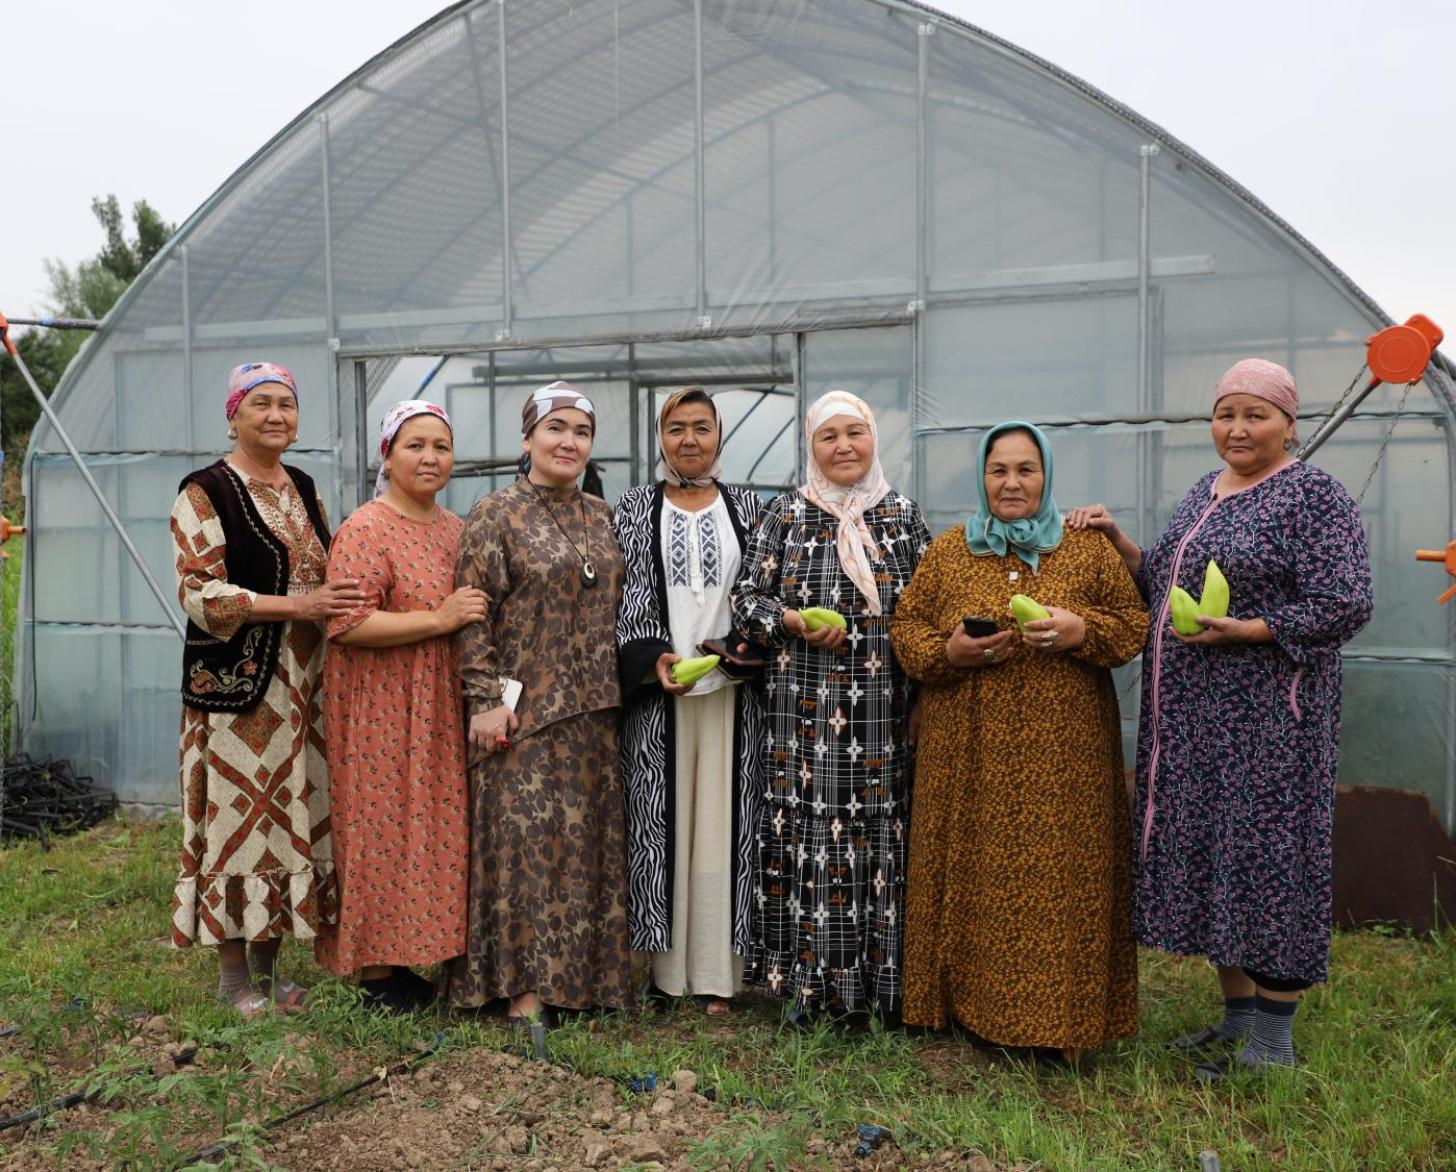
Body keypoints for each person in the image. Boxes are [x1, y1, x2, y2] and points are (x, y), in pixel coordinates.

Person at [1069, 358, 1373, 1079]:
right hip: (1195, 724)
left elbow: (1346, 601)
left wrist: (1254, 630)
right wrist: (1120, 542)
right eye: (1225, 414)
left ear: (1288, 426)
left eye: (1255, 415)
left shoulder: (1312, 496)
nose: (1237, 428)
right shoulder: (1205, 491)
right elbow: (1166, 586)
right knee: (1218, 857)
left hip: (1270, 722)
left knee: (1269, 859)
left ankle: (1273, 1044)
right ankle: (1237, 1017)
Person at [890, 421, 1148, 1063]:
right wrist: (948, 653)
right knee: (975, 871)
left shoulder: (1086, 549)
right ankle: (968, 1010)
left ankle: (1060, 1021)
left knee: (1060, 878)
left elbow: (1133, 626)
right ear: (982, 477)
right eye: (998, 469)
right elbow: (907, 630)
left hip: (1065, 757)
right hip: (968, 750)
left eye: (1025, 470)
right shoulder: (951, 551)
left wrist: (1079, 630)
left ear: (1046, 475)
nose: (1011, 482)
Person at [170, 362, 365, 1017]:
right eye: (261, 404)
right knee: (238, 828)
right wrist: (297, 608)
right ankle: (233, 985)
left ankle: (271, 972)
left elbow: (329, 567)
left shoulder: (303, 486)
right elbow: (201, 593)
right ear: (234, 415)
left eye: (287, 403)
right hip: (240, 694)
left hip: (305, 692)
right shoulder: (205, 491)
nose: (277, 415)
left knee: (288, 824)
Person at [731, 390, 929, 1021]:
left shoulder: (901, 517)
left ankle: (881, 991)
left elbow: (926, 613)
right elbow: (745, 598)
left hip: (881, 715)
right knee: (812, 838)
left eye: (855, 433)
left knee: (879, 840)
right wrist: (788, 619)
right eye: (828, 437)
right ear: (810, 448)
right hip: (803, 717)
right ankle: (809, 990)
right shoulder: (784, 515)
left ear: (873, 439)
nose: (843, 446)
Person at [449, 382, 632, 1023]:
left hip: (595, 713)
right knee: (526, 847)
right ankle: (523, 989)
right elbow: (473, 614)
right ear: (527, 439)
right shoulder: (495, 513)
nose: (569, 442)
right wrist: (486, 698)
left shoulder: (604, 516)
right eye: (555, 428)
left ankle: (581, 986)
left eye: (581, 432)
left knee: (583, 850)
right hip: (522, 713)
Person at [316, 401, 486, 1012]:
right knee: (382, 826)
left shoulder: (454, 527)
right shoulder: (366, 528)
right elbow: (347, 622)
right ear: (386, 455)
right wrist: (437, 618)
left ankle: (424, 949)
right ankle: (378, 972)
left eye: (441, 446)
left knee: (434, 826)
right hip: (383, 703)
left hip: (438, 700)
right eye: (415, 445)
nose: (430, 457)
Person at [614, 386, 765, 1015]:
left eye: (702, 427)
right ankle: (663, 973)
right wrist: (653, 663)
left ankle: (719, 978)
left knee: (725, 828)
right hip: (661, 697)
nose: (690, 441)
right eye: (676, 429)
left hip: (731, 695)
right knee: (661, 827)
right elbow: (619, 602)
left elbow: (765, 588)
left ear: (720, 434)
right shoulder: (632, 508)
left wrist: (739, 651)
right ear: (661, 438)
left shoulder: (754, 508)